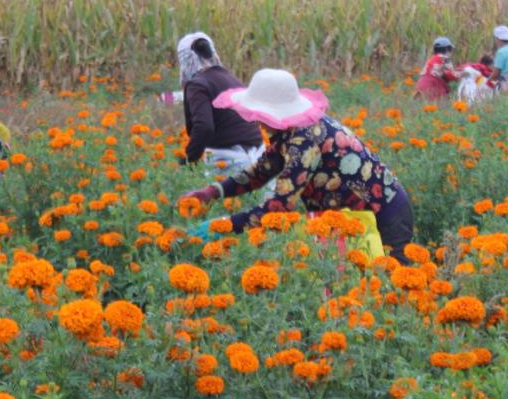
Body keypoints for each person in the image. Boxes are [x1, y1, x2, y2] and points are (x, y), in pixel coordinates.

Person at [178, 68, 415, 262]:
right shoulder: (289, 132)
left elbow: (279, 207)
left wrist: (224, 226)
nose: (255, 119)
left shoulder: (305, 140)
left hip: (383, 214)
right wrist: (212, 192)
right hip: (351, 217)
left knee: (387, 286)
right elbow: (260, 172)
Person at [177, 31, 265, 177]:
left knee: (216, 198)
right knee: (258, 200)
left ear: (185, 60)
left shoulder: (197, 84)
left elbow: (204, 127)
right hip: (259, 156)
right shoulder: (229, 77)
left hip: (230, 160)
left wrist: (188, 160)